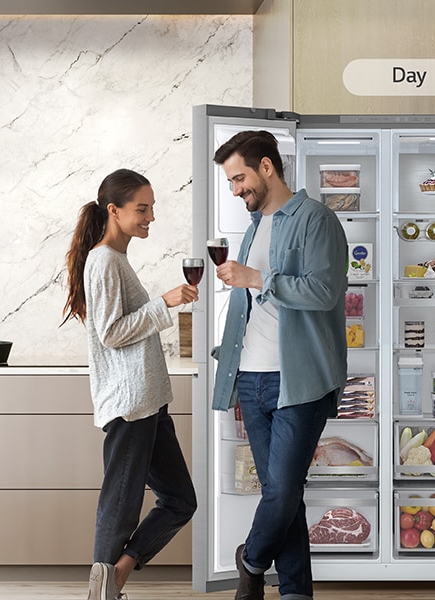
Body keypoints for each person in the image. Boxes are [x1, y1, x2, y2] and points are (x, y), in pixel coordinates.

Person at [210, 130, 348, 600]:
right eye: (230, 182)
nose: (236, 190)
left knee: (283, 492)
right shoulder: (253, 228)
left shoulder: (317, 219)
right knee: (283, 496)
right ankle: (295, 592)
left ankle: (250, 560)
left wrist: (256, 277)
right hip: (251, 379)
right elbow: (251, 309)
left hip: (298, 379)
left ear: (267, 166)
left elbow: (324, 292)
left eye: (240, 178)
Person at [62, 168, 199, 600]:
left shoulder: (117, 259)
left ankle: (116, 575)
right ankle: (101, 592)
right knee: (120, 504)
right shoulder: (103, 259)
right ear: (114, 210)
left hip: (149, 401)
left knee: (180, 500)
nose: (150, 217)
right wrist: (165, 303)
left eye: (152, 208)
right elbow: (110, 332)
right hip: (129, 403)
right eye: (142, 209)